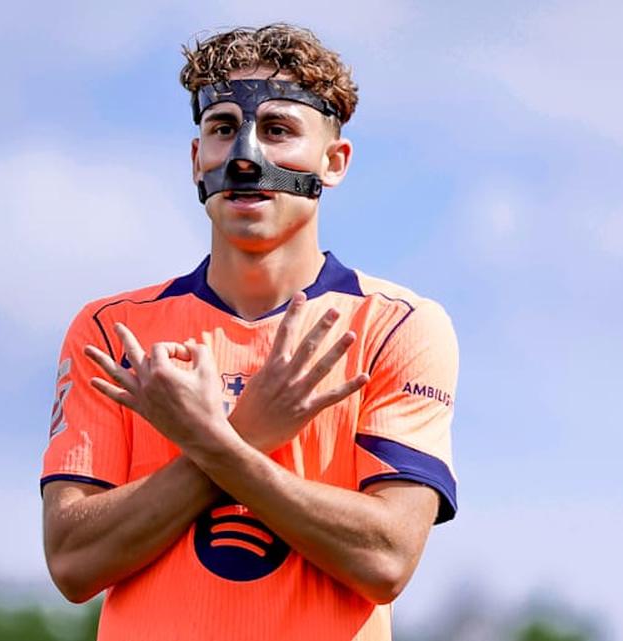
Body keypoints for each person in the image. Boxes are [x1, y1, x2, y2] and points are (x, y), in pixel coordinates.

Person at [41, 23, 458, 641]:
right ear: (195, 159)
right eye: (222, 128)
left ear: (333, 161)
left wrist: (216, 444)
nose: (245, 156)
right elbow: (73, 562)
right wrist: (249, 435)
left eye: (279, 130)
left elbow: (386, 558)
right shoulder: (113, 330)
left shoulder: (397, 326)